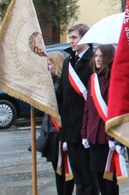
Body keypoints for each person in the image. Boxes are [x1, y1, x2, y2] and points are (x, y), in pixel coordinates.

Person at [57, 23, 98, 194]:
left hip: (85, 126)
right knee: (78, 176)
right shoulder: (68, 62)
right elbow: (62, 93)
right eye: (70, 38)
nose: (71, 41)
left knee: (89, 178)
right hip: (70, 127)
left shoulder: (93, 61)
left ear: (85, 38)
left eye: (74, 37)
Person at [81, 44, 119, 195]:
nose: (97, 59)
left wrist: (112, 136)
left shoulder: (115, 79)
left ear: (108, 58)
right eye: (96, 56)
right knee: (97, 176)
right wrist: (84, 133)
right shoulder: (93, 79)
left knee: (109, 179)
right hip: (93, 135)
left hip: (106, 136)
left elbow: (115, 109)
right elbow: (88, 108)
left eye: (101, 56)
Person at [42, 51, 75, 195]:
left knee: (66, 169)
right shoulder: (49, 81)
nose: (48, 67)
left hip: (60, 130)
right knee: (57, 169)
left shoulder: (62, 82)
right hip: (50, 129)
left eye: (50, 64)